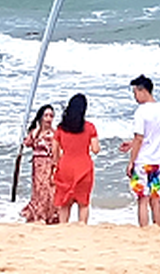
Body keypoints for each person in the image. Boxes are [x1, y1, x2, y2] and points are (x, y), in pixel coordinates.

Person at [119, 74, 160, 227]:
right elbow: (153, 136)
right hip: (157, 160)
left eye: (135, 92)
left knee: (142, 198)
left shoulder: (141, 112)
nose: (135, 96)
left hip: (142, 161)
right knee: (155, 197)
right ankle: (158, 227)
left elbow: (140, 137)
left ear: (143, 91)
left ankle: (144, 229)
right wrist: (132, 144)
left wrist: (131, 161)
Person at [52, 93, 100, 224]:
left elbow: (54, 150)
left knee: (64, 203)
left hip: (65, 166)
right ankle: (82, 225)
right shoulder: (89, 127)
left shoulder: (61, 128)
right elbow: (95, 149)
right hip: (84, 167)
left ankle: (63, 226)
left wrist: (57, 163)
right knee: (83, 203)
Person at [20, 104, 59, 224]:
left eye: (51, 116)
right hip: (37, 166)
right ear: (41, 117)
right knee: (38, 191)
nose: (49, 119)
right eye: (46, 115)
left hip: (49, 164)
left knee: (50, 191)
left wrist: (55, 166)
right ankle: (38, 215)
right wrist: (36, 129)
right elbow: (27, 143)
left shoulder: (54, 133)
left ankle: (50, 216)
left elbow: (57, 152)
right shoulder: (36, 133)